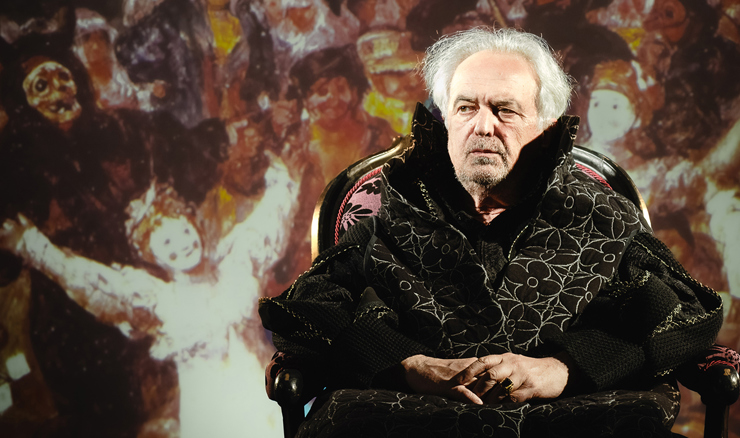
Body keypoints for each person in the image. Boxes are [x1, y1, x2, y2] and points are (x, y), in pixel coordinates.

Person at [258, 27, 724, 437]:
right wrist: (407, 365)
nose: (482, 126)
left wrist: (563, 368)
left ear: (544, 128)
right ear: (445, 120)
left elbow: (685, 312)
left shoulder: (603, 216)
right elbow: (307, 310)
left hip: (577, 422)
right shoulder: (394, 212)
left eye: (504, 110)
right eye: (466, 108)